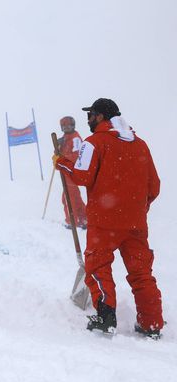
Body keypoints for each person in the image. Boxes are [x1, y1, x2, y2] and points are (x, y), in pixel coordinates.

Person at [55, 98, 162, 338]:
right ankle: (151, 323)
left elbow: (82, 176)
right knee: (141, 273)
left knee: (98, 267)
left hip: (104, 223)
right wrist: (138, 209)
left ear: (101, 116)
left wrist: (62, 163)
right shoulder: (140, 144)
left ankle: (105, 317)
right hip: (136, 224)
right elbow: (154, 186)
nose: (88, 119)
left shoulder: (94, 142)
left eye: (90, 114)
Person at [57, 116, 87, 230]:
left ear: (73, 126)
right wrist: (58, 149)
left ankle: (73, 221)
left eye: (68, 125)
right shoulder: (66, 138)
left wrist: (61, 158)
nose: (66, 128)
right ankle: (83, 219)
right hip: (67, 170)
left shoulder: (75, 139)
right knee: (73, 196)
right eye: (64, 126)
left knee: (69, 197)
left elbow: (77, 155)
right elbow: (62, 154)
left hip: (72, 171)